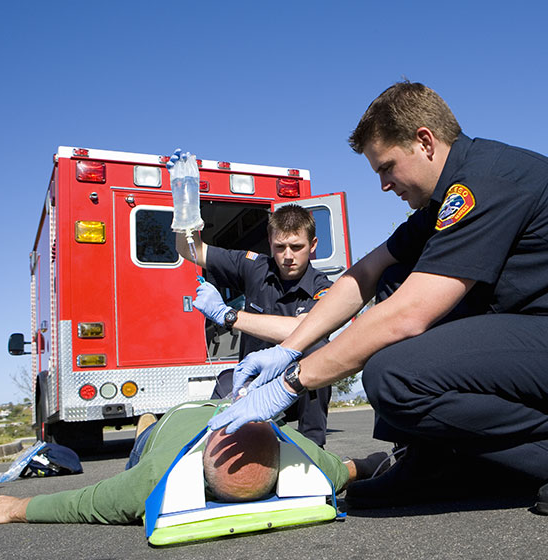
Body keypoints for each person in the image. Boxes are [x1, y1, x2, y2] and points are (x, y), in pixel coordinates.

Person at [207, 81, 548, 513]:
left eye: (387, 167)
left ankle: (476, 464)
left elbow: (406, 317)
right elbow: (365, 273)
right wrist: (289, 350)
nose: (385, 185)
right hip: (531, 331)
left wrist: (292, 383)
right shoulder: (441, 200)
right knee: (392, 276)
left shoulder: (481, 185)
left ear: (425, 141)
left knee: (394, 376)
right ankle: (431, 460)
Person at [0, 400, 386, 524]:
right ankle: (148, 418)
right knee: (145, 433)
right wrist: (14, 508)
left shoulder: (298, 452)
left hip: (226, 407)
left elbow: (346, 469)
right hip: (171, 428)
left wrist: (370, 464)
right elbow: (83, 503)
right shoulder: (155, 474)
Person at [175, 201, 333, 447]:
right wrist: (184, 204)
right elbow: (192, 250)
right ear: (270, 242)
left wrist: (229, 315)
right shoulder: (254, 266)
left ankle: (313, 448)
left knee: (317, 349)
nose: (288, 256)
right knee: (222, 390)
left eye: (297, 247)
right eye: (280, 247)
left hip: (296, 386)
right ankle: (211, 451)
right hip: (251, 383)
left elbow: (306, 329)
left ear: (312, 246)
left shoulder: (322, 288)